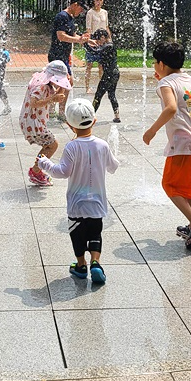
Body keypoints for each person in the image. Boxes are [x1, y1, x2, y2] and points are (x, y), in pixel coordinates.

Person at [38, 97, 118, 283]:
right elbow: (113, 167)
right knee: (95, 233)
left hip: (77, 204)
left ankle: (81, 265)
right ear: (95, 121)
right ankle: (96, 263)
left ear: (69, 125)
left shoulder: (72, 147)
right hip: (97, 203)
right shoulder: (102, 145)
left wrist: (45, 163)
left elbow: (62, 172)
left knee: (78, 234)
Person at [142, 40, 191, 249]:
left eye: (155, 62)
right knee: (189, 189)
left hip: (184, 143)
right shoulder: (188, 78)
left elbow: (171, 108)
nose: (154, 65)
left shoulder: (166, 83)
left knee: (170, 185)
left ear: (161, 64)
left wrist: (151, 130)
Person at [19, 60, 71, 186]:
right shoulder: (40, 86)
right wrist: (52, 99)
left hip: (32, 121)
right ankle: (36, 171)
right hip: (32, 122)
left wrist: (63, 88)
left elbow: (56, 97)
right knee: (52, 145)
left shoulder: (45, 83)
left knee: (49, 145)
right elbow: (33, 103)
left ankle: (36, 171)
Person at [88, 29, 121, 122]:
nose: (97, 41)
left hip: (109, 74)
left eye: (98, 39)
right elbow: (96, 51)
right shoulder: (108, 45)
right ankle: (117, 116)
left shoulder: (109, 46)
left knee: (98, 95)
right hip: (114, 73)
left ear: (103, 37)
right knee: (111, 94)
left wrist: (85, 43)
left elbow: (95, 52)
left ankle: (91, 116)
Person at [84, 0, 109, 93]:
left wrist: (109, 40)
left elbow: (106, 27)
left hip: (103, 40)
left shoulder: (105, 12)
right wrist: (90, 41)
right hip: (94, 40)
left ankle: (101, 87)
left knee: (101, 66)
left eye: (100, 0)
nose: (99, 2)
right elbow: (88, 29)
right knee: (89, 65)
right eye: (97, 0)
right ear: (93, 1)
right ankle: (87, 87)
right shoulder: (90, 13)